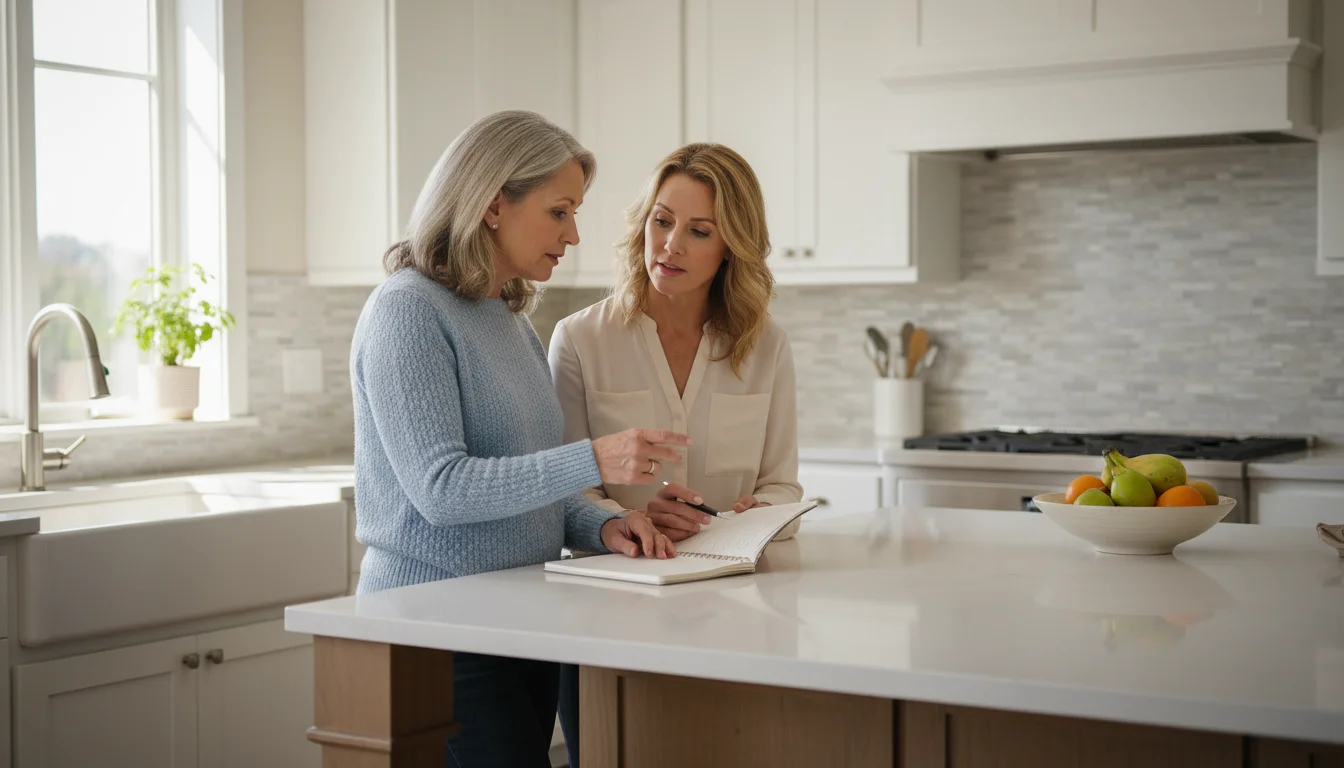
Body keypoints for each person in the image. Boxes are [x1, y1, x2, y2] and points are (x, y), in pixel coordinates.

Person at [350, 110, 685, 768]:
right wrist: (592, 458)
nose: (575, 234)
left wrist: (606, 525)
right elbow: (442, 491)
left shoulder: (507, 315)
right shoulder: (408, 311)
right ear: (494, 203)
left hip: (519, 624)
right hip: (436, 635)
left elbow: (530, 487)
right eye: (560, 211)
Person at [547, 142, 804, 766]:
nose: (671, 245)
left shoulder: (765, 345)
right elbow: (562, 485)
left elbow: (781, 487)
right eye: (661, 221)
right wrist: (620, 518)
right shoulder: (580, 339)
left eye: (698, 231)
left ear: (731, 245)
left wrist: (753, 513)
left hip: (739, 614)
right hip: (610, 617)